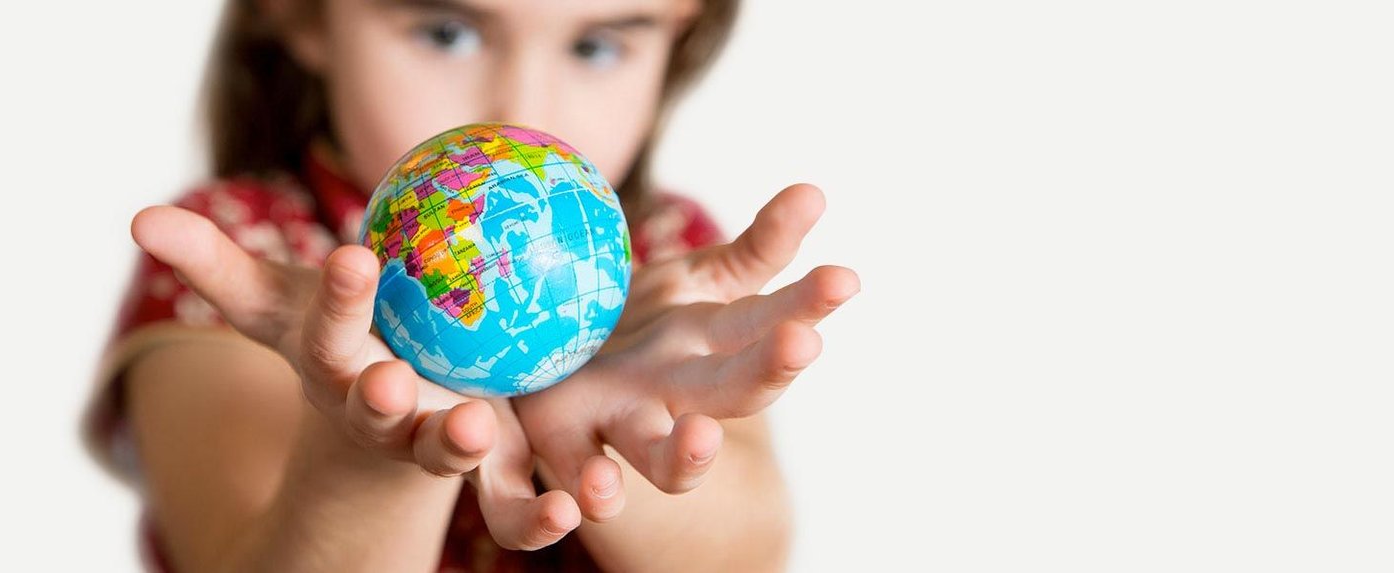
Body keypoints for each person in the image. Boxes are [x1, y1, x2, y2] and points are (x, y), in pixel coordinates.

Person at [82, 0, 859, 570]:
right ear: (303, 17)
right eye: (446, 32)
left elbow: (745, 555)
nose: (522, 111)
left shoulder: (660, 259)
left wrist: (614, 435)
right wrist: (374, 446)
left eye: (594, 46)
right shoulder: (243, 256)